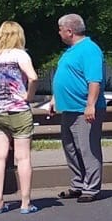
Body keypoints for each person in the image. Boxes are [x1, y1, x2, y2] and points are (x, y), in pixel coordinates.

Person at [45, 12, 106, 202]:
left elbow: (94, 80)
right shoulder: (71, 51)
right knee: (71, 148)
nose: (59, 33)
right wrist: (55, 99)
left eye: (61, 29)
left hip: (83, 109)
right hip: (69, 108)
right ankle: (77, 183)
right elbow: (66, 77)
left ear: (70, 31)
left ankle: (91, 188)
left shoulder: (89, 49)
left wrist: (90, 105)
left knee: (87, 148)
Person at [0, 21, 40, 214]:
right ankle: (25, 202)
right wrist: (28, 97)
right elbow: (33, 77)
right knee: (22, 158)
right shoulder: (20, 55)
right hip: (18, 110)